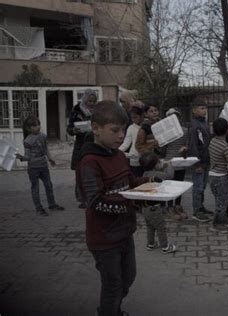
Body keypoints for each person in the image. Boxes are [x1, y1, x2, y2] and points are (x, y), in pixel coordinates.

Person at [76, 100, 161, 316]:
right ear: (95, 128)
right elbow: (94, 201)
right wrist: (131, 202)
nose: (121, 136)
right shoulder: (89, 161)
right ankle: (110, 310)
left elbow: (130, 181)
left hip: (125, 233)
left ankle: (109, 309)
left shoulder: (120, 155)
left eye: (123, 130)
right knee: (113, 286)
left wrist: (150, 182)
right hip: (104, 239)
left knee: (128, 277)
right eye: (114, 130)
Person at [16, 116, 64, 216]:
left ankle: (52, 205)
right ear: (28, 128)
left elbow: (46, 148)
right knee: (35, 188)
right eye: (34, 125)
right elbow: (28, 157)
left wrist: (50, 158)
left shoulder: (43, 136)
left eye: (38, 124)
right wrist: (20, 157)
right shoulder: (27, 141)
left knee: (49, 185)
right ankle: (39, 208)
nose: (38, 127)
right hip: (33, 168)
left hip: (43, 166)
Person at [139, 152, 177, 253]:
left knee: (150, 226)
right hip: (154, 207)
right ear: (155, 165)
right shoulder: (156, 174)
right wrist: (169, 165)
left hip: (145, 207)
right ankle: (165, 246)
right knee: (161, 227)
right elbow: (169, 175)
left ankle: (150, 244)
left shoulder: (145, 173)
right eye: (158, 162)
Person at [67, 89, 97, 208]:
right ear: (84, 99)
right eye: (89, 101)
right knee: (80, 171)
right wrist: (74, 130)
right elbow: (69, 129)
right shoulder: (76, 111)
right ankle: (81, 198)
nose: (92, 103)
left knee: (92, 170)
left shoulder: (97, 111)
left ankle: (92, 195)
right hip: (81, 144)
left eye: (94, 101)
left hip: (94, 143)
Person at [188, 97, 213, 222]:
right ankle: (196, 211)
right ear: (194, 110)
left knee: (202, 186)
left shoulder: (204, 123)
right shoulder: (194, 125)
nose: (205, 111)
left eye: (206, 108)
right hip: (199, 162)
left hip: (206, 160)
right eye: (202, 108)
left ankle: (201, 206)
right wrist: (196, 163)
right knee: (198, 186)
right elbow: (193, 145)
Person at [163, 107, 189, 220]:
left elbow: (187, 145)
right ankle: (169, 207)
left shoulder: (185, 130)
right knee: (169, 186)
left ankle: (177, 205)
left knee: (179, 186)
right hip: (169, 162)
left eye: (176, 117)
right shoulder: (166, 133)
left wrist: (185, 149)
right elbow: (162, 149)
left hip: (181, 162)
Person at [119, 105, 145, 177]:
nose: (133, 120)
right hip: (134, 158)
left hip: (147, 159)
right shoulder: (131, 128)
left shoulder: (147, 126)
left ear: (142, 116)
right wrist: (117, 151)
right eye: (132, 118)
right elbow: (126, 144)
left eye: (135, 117)